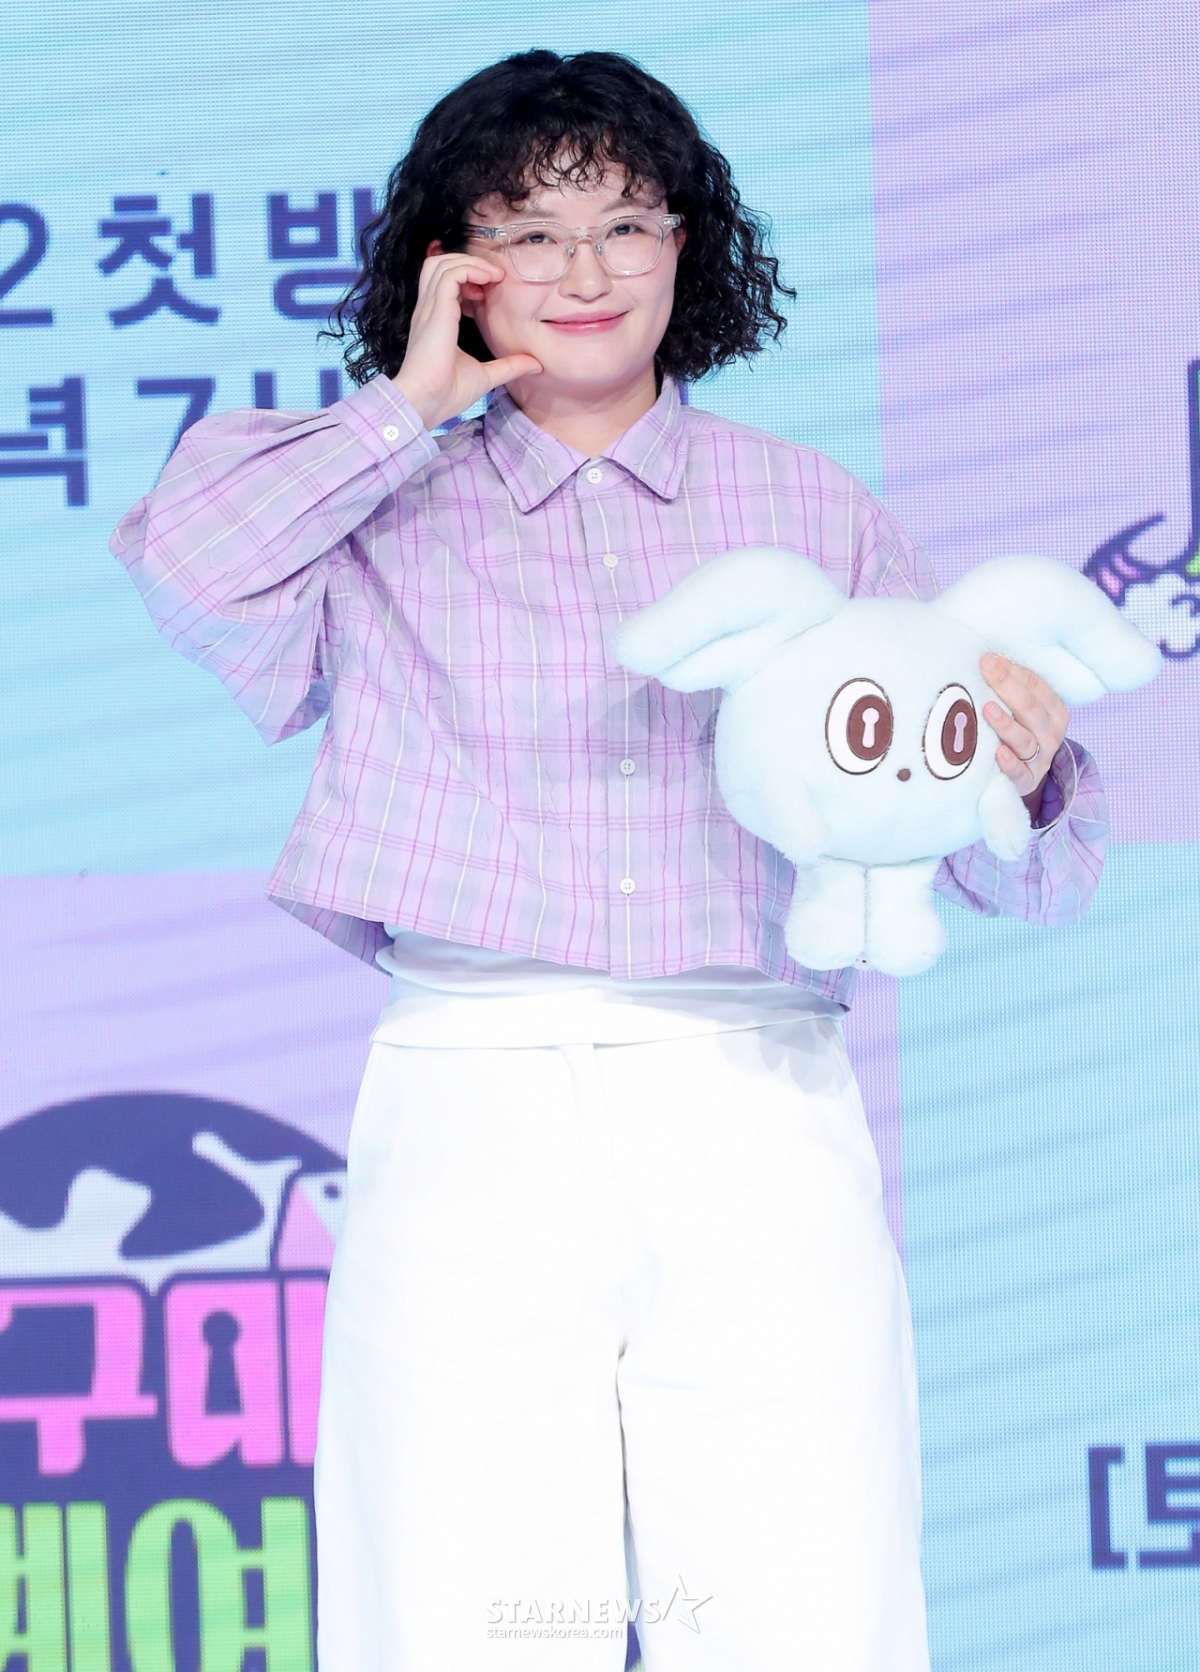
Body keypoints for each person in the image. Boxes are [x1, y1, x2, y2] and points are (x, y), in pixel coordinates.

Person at [111, 49, 1105, 1672]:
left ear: (685, 248)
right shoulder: (377, 504)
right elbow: (189, 558)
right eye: (530, 228)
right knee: (461, 1604)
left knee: (805, 1593)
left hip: (753, 1087)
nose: (585, 271)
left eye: (627, 224)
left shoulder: (811, 509)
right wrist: (406, 408)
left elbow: (1023, 869)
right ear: (457, 263)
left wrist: (1025, 759)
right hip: (477, 1082)